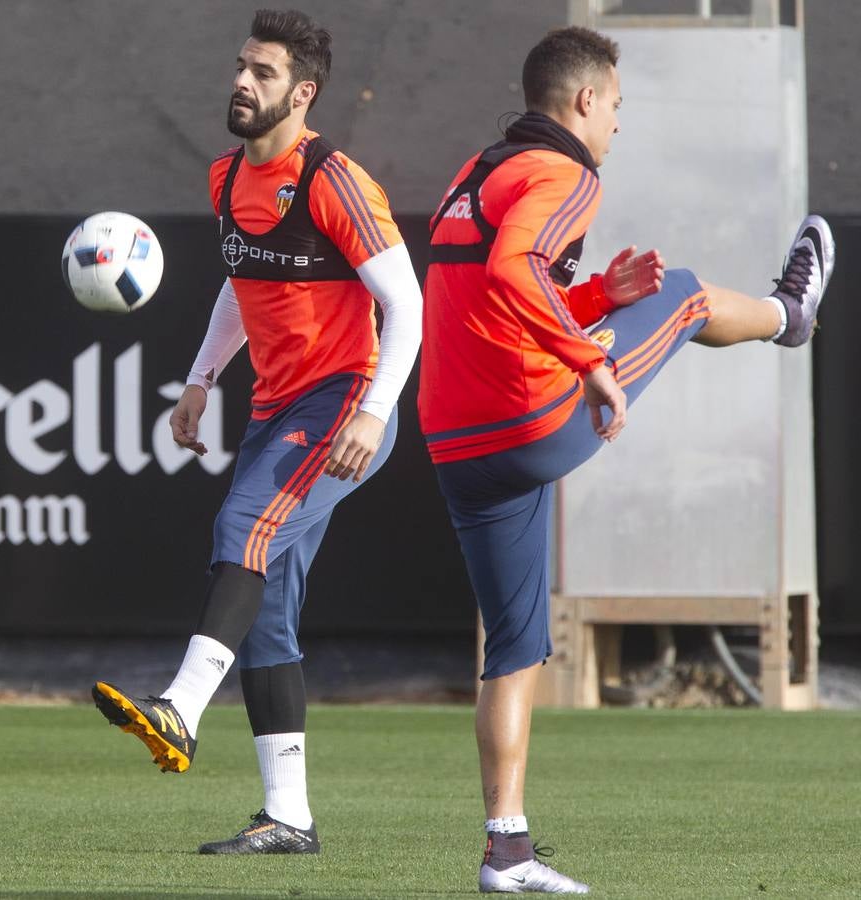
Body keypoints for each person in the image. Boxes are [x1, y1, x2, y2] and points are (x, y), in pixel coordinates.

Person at [418, 25, 834, 895]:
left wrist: (600, 296)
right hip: (532, 419)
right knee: (683, 295)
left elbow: (496, 293)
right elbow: (509, 272)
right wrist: (590, 359)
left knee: (516, 646)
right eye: (616, 106)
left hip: (459, 441)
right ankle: (790, 313)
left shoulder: (476, 170)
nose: (618, 123)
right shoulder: (565, 170)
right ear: (583, 102)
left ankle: (508, 851)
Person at [92, 8, 422, 855]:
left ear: (303, 93)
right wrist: (201, 381)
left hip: (344, 404)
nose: (242, 81)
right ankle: (289, 818)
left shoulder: (334, 181)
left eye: (264, 72)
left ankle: (180, 708)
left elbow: (407, 307)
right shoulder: (225, 179)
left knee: (241, 528)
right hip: (279, 410)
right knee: (268, 610)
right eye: (242, 65)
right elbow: (241, 286)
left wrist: (376, 410)